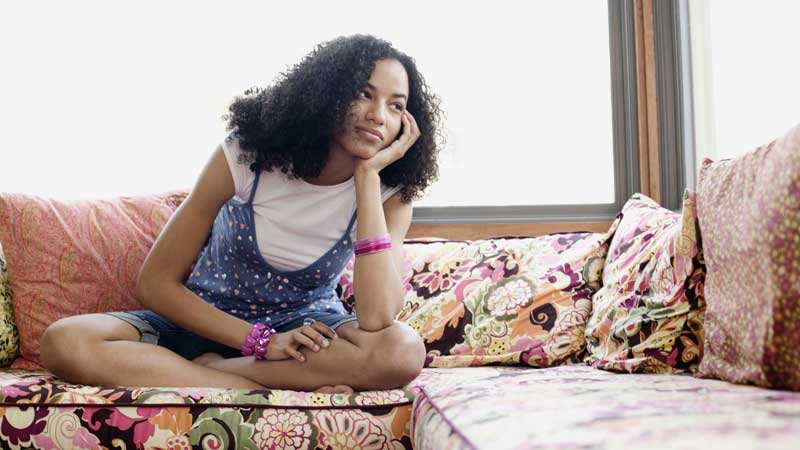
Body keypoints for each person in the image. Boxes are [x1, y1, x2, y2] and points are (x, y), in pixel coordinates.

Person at [39, 34, 443, 393]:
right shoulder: (247, 158)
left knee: (402, 351)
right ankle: (246, 385)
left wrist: (368, 178)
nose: (378, 115)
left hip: (304, 334)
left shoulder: (390, 193)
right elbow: (156, 283)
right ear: (329, 94)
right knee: (65, 340)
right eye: (364, 94)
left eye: (395, 106)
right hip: (204, 320)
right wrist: (261, 341)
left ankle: (211, 373)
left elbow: (376, 318)